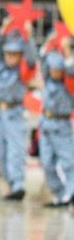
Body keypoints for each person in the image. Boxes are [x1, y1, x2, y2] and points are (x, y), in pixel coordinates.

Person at [0, 18, 37, 201]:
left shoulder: (22, 71)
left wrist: (29, 37)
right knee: (0, 152)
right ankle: (10, 184)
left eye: (15, 54)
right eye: (8, 54)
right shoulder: (0, 67)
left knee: (16, 151)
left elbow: (31, 60)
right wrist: (2, 31)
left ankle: (18, 185)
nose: (11, 57)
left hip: (15, 113)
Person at [38, 32, 74, 207]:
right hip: (46, 124)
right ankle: (60, 194)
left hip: (62, 125)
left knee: (68, 162)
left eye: (58, 70)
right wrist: (49, 42)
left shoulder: (69, 84)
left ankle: (71, 192)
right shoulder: (48, 80)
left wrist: (67, 52)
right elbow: (42, 58)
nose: (54, 72)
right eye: (52, 69)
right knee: (46, 163)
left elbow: (71, 70)